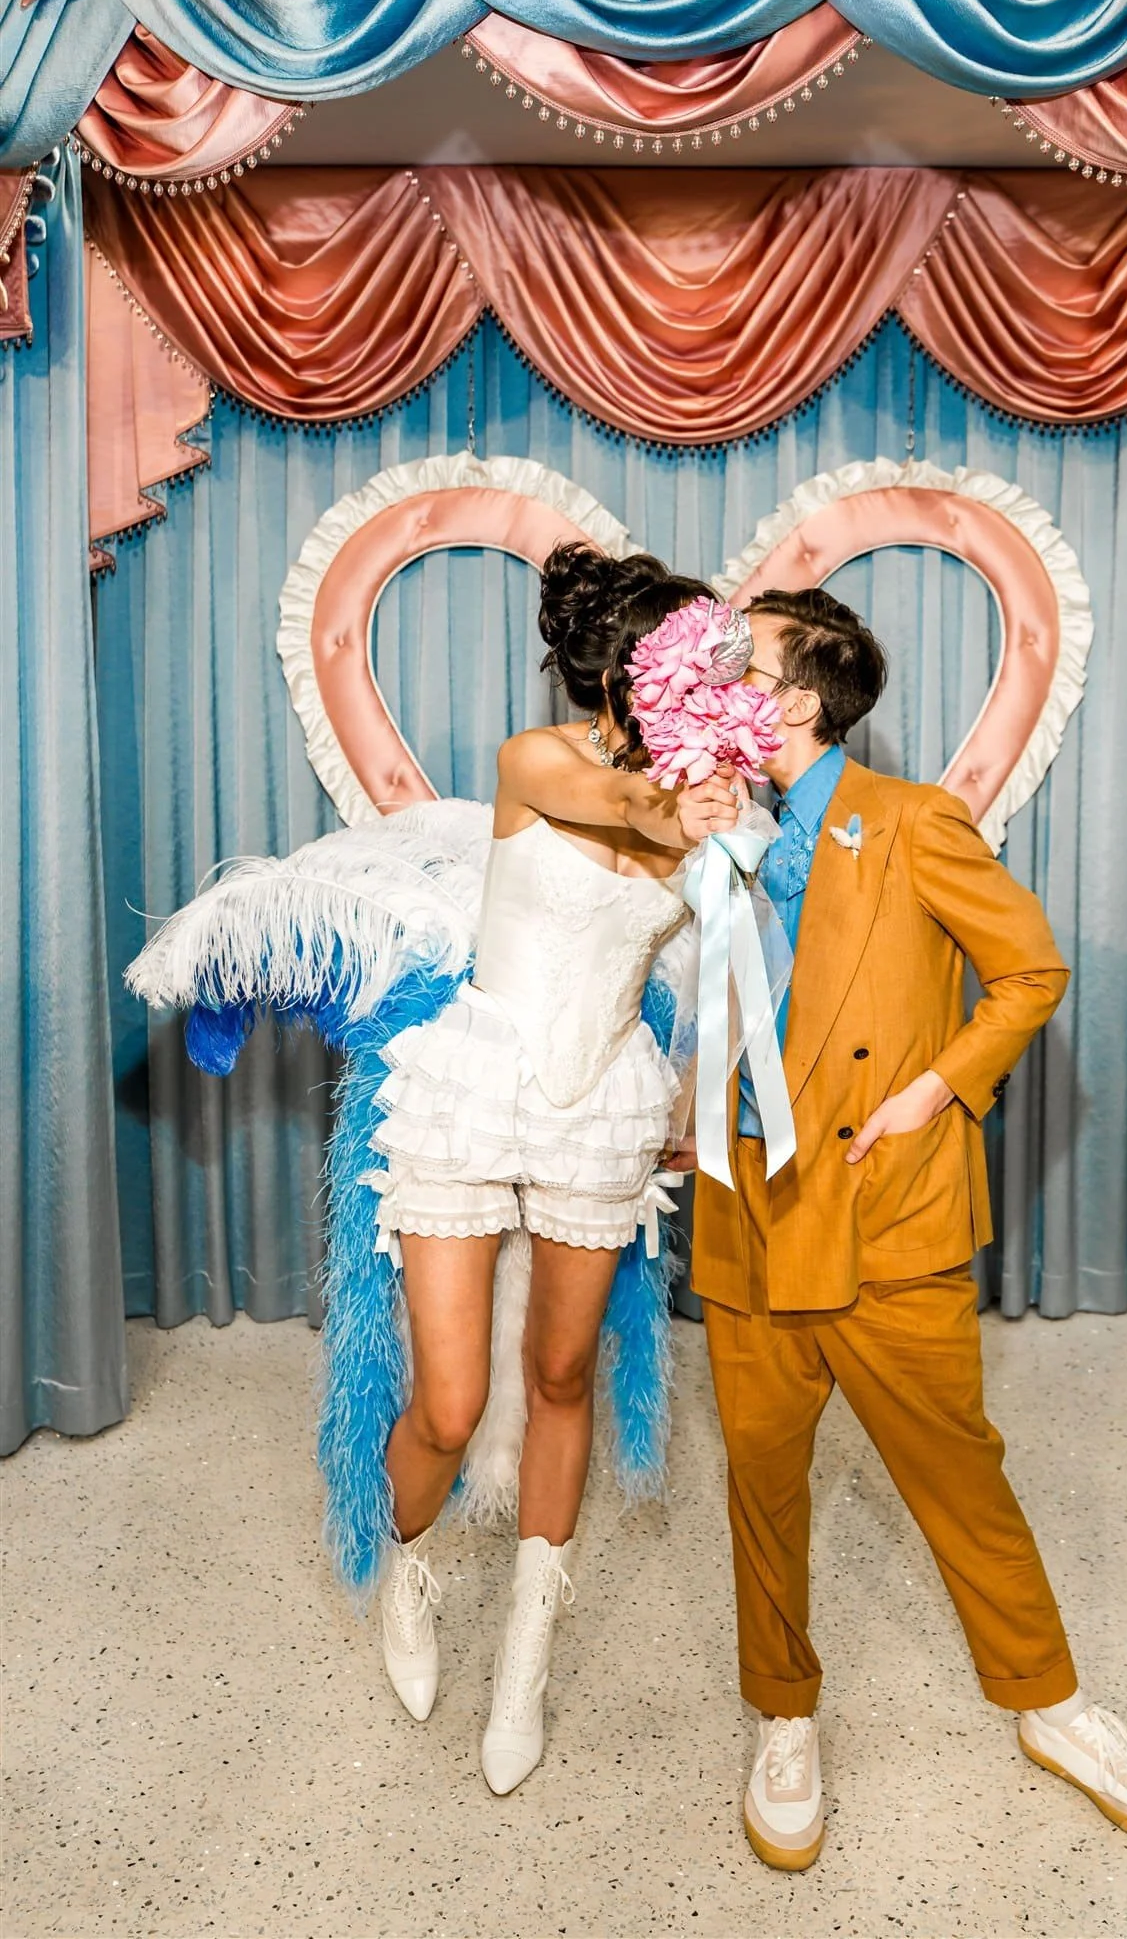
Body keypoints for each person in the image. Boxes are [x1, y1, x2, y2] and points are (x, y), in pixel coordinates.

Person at [691, 586, 1127, 1869]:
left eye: (737, 662)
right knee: (761, 1484)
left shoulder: (914, 822)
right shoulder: (709, 824)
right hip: (748, 1205)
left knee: (958, 1476)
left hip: (882, 1209)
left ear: (799, 698)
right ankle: (784, 1708)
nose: (710, 676)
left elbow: (1029, 968)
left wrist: (937, 1084)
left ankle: (1053, 1703)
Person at [368, 547, 741, 1795]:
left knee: (564, 1372)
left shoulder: (712, 795)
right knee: (455, 1401)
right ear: (633, 672)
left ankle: (528, 1641)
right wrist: (682, 810)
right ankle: (405, 1560)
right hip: (476, 1084)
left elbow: (743, 929)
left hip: (604, 1101)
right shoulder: (540, 763)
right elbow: (633, 815)